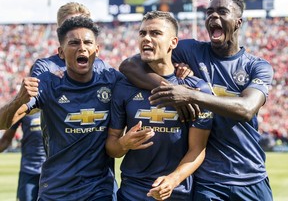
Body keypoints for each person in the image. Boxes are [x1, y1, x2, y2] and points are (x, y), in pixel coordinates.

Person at [119, 0, 274, 201]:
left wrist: (191, 96)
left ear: (238, 22)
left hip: (250, 174)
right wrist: (171, 90)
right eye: (209, 12)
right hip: (207, 180)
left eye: (221, 11)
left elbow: (246, 109)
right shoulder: (190, 50)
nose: (213, 16)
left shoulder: (257, 66)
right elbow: (129, 65)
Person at [0, 16, 123, 200]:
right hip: (57, 192)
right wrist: (19, 100)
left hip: (100, 192)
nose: (82, 47)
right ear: (61, 52)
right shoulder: (48, 84)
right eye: (74, 43)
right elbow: (2, 123)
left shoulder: (112, 80)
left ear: (96, 50)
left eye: (88, 42)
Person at [106, 11, 213, 201]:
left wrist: (173, 180)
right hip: (132, 193)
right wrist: (123, 144)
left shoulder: (197, 89)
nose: (146, 38)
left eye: (155, 33)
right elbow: (111, 147)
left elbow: (197, 149)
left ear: (173, 42)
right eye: (142, 33)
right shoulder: (123, 86)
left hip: (177, 194)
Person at [0, 110, 45, 201]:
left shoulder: (57, 105)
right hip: (29, 169)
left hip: (52, 171)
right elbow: (5, 140)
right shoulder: (25, 107)